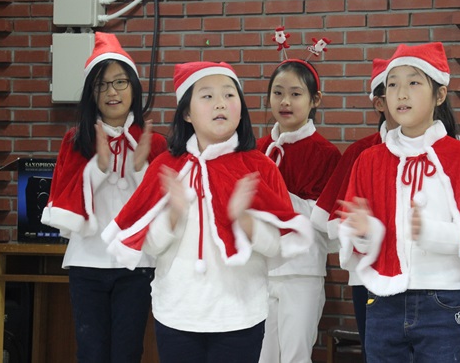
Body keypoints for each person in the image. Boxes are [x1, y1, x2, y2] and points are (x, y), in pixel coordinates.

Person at [101, 61, 314, 363]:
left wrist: (245, 221)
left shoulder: (259, 167)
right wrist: (173, 215)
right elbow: (150, 246)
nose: (220, 104)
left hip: (240, 316)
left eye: (229, 95)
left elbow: (278, 247)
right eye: (207, 96)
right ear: (186, 113)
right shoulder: (166, 167)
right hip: (176, 315)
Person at [337, 42, 460, 363]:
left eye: (414, 83)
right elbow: (360, 243)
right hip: (382, 298)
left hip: (442, 300)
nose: (401, 94)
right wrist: (365, 232)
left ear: (440, 95)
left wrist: (430, 233)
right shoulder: (369, 160)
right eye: (393, 85)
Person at [41, 32, 168, 363]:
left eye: (120, 82)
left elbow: (163, 206)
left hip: (136, 265)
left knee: (128, 353)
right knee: (91, 353)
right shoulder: (76, 140)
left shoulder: (155, 143)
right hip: (87, 263)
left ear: (134, 88)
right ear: (91, 93)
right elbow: (66, 200)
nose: (112, 92)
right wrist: (98, 166)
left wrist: (139, 169)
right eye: (102, 84)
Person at [256, 59, 341, 363]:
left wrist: (276, 196)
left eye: (295, 94)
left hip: (302, 270)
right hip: (259, 269)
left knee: (295, 356)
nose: (285, 101)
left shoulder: (326, 154)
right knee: (260, 356)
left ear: (314, 99)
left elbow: (327, 221)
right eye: (278, 93)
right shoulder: (257, 150)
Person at [309, 71, 394, 363]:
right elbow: (325, 218)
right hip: (367, 276)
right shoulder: (362, 152)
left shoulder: (444, 149)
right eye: (394, 87)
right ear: (379, 103)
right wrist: (357, 229)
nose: (404, 96)